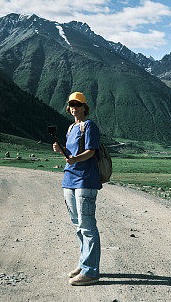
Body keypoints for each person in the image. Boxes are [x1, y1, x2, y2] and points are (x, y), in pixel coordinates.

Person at [52, 91, 102, 286]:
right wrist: (61, 150)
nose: (74, 107)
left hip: (85, 181)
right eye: (71, 104)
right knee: (78, 226)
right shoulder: (71, 127)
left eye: (78, 104)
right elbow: (71, 154)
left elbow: (91, 151)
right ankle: (84, 263)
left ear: (84, 107)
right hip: (69, 180)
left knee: (87, 227)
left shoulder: (89, 125)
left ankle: (91, 272)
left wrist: (74, 159)